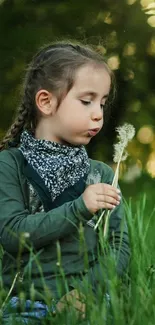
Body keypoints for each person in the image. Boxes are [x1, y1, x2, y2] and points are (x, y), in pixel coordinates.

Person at [0, 42, 130, 324]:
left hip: (90, 301)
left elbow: (119, 247)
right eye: (87, 101)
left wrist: (84, 293)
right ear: (46, 102)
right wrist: (80, 207)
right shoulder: (10, 165)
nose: (98, 113)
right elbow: (12, 234)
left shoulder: (103, 175)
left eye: (103, 103)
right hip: (26, 304)